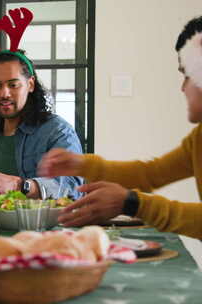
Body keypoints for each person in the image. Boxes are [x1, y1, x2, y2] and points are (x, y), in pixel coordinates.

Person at [37, 16, 202, 239]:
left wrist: (133, 204)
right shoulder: (198, 139)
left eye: (188, 75)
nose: (183, 88)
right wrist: (81, 164)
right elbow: (151, 174)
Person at [0, 50, 84, 199]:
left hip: (46, 223)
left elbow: (74, 187)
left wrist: (21, 185)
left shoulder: (58, 131)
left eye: (13, 85)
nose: (4, 94)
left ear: (30, 84)